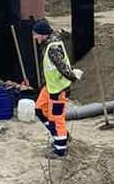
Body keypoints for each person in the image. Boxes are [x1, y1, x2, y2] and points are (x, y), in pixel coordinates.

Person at [32, 19, 82, 158]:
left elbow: (62, 67)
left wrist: (73, 76)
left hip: (58, 90)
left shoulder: (52, 48)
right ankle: (62, 136)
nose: (34, 38)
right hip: (50, 86)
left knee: (56, 118)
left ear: (42, 34)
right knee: (40, 110)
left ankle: (60, 150)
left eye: (35, 34)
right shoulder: (49, 43)